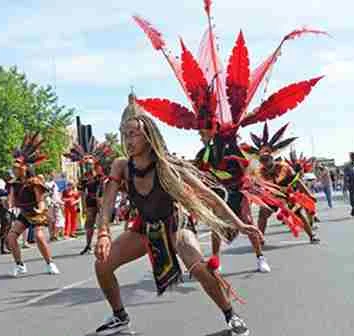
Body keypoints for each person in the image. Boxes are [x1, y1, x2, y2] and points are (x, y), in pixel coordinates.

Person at [133, 4, 321, 273]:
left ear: (210, 127)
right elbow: (198, 172)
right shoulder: (205, 152)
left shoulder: (232, 138)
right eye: (198, 131)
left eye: (202, 130)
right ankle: (216, 263)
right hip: (219, 192)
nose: (199, 134)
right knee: (216, 225)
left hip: (239, 188)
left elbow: (244, 162)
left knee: (245, 220)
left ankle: (260, 257)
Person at [92, 94, 261, 336]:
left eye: (133, 134)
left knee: (200, 269)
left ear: (148, 137)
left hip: (175, 225)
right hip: (145, 227)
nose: (127, 140)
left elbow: (208, 196)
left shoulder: (169, 166)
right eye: (125, 134)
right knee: (102, 265)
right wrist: (103, 234)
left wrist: (240, 223)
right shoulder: (121, 166)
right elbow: (106, 205)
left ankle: (231, 314)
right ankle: (119, 316)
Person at [247, 124, 320, 244]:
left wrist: (309, 194)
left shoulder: (284, 167)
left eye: (267, 159)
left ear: (272, 158)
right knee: (262, 214)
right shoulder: (259, 171)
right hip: (271, 197)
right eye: (262, 160)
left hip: (287, 195)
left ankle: (312, 235)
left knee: (298, 214)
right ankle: (260, 238)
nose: (264, 162)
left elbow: (297, 182)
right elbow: (256, 187)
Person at [6, 133, 60, 276]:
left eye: (17, 167)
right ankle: (20, 265)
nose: (14, 169)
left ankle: (50, 263)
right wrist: (9, 206)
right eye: (14, 167)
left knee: (39, 237)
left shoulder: (35, 182)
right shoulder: (13, 183)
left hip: (36, 213)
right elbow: (11, 199)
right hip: (24, 213)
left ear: (24, 167)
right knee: (11, 238)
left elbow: (40, 200)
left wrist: (41, 209)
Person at [66, 139, 112, 255]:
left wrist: (103, 202)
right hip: (90, 201)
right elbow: (81, 193)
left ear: (94, 163)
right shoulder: (84, 178)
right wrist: (84, 207)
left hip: (101, 200)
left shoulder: (100, 175)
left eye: (89, 164)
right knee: (89, 223)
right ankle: (88, 245)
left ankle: (108, 242)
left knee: (102, 222)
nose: (87, 166)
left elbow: (106, 187)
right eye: (85, 164)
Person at [45, 175, 64, 242]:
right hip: (50, 204)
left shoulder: (54, 184)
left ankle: (54, 235)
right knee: (52, 220)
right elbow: (49, 194)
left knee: (56, 220)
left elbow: (56, 194)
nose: (52, 176)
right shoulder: (46, 184)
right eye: (51, 175)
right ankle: (52, 235)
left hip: (55, 203)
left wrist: (59, 201)